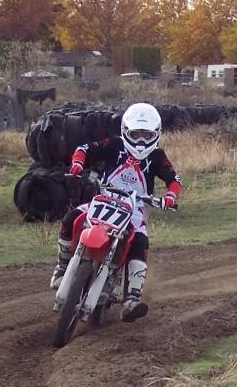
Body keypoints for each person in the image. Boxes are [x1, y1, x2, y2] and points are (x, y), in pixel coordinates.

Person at [50, 103, 182, 322]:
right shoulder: (114, 144)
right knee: (71, 217)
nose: (140, 140)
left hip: (137, 208)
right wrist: (77, 165)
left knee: (140, 241)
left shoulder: (157, 156)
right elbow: (84, 149)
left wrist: (170, 197)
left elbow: (174, 179)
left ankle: (132, 298)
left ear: (155, 134)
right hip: (104, 198)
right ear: (126, 131)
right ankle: (62, 267)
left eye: (146, 135)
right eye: (136, 134)